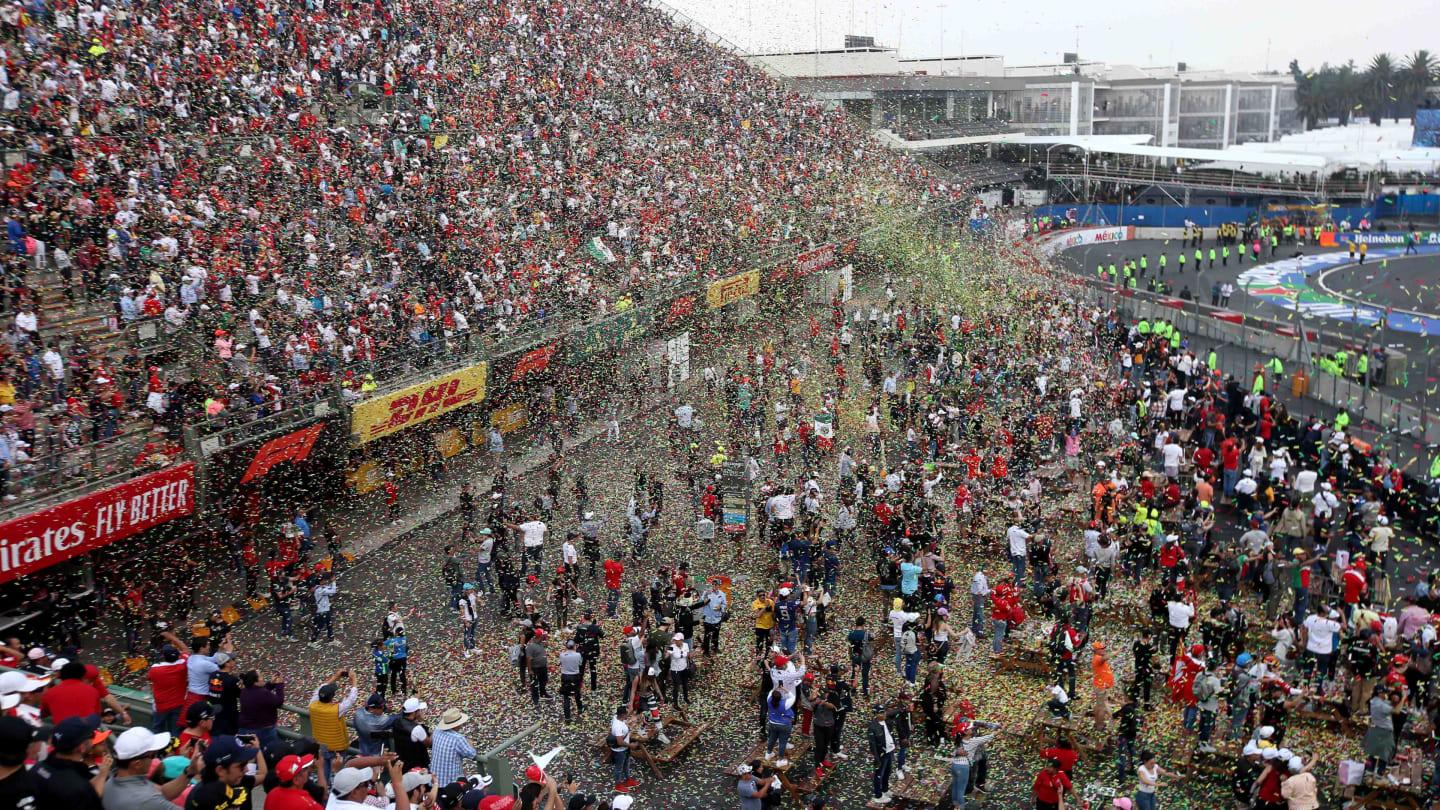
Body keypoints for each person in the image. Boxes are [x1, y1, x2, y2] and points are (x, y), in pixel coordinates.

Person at [104, 727, 200, 810]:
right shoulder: (146, 800)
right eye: (153, 755)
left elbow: (162, 792)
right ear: (137, 764)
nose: (155, 759)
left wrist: (189, 772)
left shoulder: (112, 781)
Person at [33, 715, 110, 810]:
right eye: (91, 735)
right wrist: (102, 777)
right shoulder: (79, 789)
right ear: (82, 748)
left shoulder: (36, 768)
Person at [184, 735, 267, 810]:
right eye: (241, 766)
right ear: (221, 770)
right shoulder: (204, 798)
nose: (246, 770)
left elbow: (263, 775)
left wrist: (257, 749)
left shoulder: (237, 780)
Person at [430, 709, 477, 785]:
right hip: (450, 785)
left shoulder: (437, 730)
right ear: (457, 724)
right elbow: (472, 754)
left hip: (434, 782)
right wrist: (470, 744)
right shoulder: (458, 738)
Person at [867, 705, 898, 805]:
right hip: (881, 754)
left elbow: (892, 713)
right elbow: (873, 745)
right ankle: (878, 795)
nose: (884, 714)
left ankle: (885, 789)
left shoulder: (887, 721)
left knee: (887, 772)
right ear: (876, 714)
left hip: (889, 751)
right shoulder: (873, 727)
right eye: (881, 712)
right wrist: (876, 758)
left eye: (884, 712)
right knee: (878, 775)